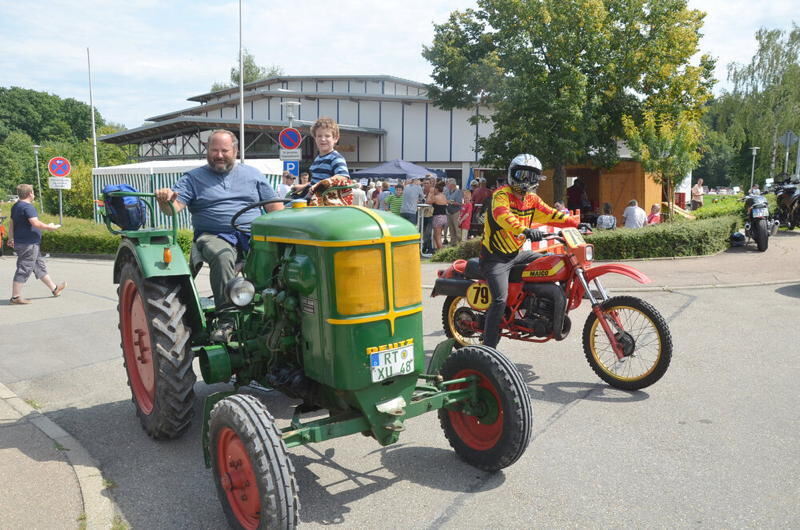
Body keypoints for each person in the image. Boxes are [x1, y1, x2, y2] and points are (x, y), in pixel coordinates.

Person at [155, 129, 283, 342]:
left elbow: (275, 209)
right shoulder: (193, 178)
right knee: (223, 254)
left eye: (225, 150)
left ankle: (273, 308)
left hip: (251, 235)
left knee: (281, 255)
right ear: (207, 150)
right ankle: (228, 320)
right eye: (214, 150)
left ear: (236, 150)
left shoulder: (253, 174)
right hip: (213, 235)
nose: (219, 155)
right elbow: (174, 207)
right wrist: (165, 200)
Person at [480, 154, 579, 348]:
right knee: (499, 300)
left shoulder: (531, 199)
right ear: (511, 174)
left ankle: (534, 308)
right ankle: (488, 347)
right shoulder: (501, 195)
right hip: (495, 258)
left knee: (551, 261)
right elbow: (503, 217)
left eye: (531, 176)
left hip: (516, 254)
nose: (526, 181)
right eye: (522, 175)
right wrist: (525, 230)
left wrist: (575, 223)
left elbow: (551, 213)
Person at [7, 184, 66, 304]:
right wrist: (49, 227)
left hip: (25, 242)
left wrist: (10, 237)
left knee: (38, 266)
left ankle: (54, 289)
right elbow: (35, 223)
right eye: (33, 192)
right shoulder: (28, 207)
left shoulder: (16, 206)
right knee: (24, 268)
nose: (34, 194)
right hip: (28, 244)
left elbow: (11, 223)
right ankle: (15, 297)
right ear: (30, 194)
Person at [308, 117, 349, 185]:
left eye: (327, 136)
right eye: (319, 136)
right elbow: (314, 182)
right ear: (315, 138)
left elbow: (343, 177)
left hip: (326, 195)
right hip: (315, 194)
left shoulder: (336, 158)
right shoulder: (317, 159)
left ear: (335, 138)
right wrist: (303, 186)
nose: (323, 139)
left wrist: (321, 184)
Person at [427, 180, 449, 250]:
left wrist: (430, 193)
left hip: (437, 217)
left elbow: (428, 202)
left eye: (434, 190)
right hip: (444, 217)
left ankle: (441, 252)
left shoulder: (436, 197)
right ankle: (438, 250)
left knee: (438, 237)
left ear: (436, 189)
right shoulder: (444, 196)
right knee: (437, 236)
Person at [444, 178, 463, 245]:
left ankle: (460, 244)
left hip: (456, 212)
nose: (447, 185)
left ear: (452, 184)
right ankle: (453, 243)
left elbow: (460, 203)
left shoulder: (458, 192)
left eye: (448, 183)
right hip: (448, 212)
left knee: (457, 229)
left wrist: (450, 202)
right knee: (451, 229)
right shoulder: (446, 191)